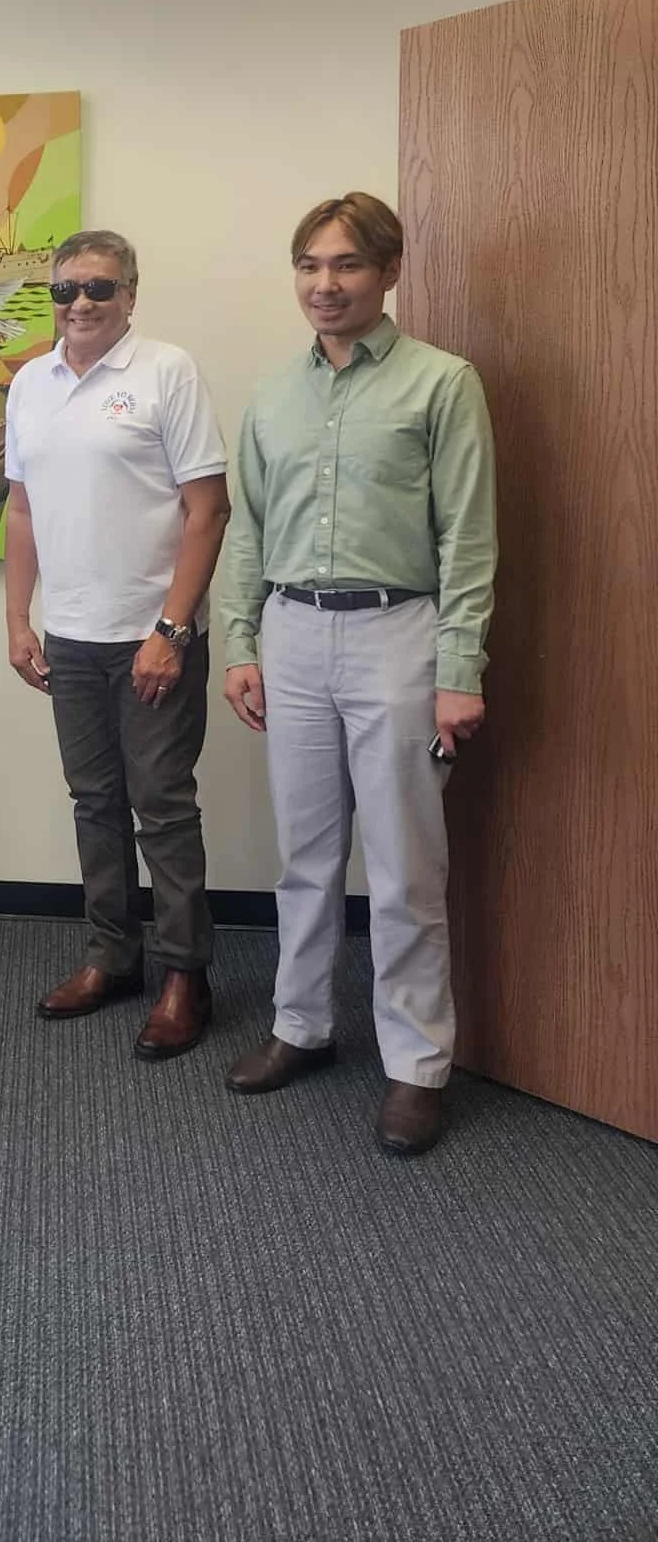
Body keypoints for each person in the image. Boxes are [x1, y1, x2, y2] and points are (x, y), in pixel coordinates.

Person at [220, 192, 496, 1157]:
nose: (323, 285)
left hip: (397, 635)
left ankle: (418, 1065)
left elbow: (468, 537)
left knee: (404, 863)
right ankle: (301, 1026)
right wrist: (242, 641)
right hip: (293, 633)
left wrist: (459, 669)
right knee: (303, 855)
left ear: (387, 273)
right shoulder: (272, 393)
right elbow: (247, 529)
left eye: (343, 266)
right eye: (308, 265)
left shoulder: (441, 384)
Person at [5, 230, 230, 1058]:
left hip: (150, 638)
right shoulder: (30, 384)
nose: (82, 304)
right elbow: (22, 511)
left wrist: (171, 629)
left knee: (162, 808)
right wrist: (16, 619)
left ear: (132, 293)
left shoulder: (166, 371)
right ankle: (113, 955)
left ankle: (184, 975)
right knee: (94, 803)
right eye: (66, 291)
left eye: (99, 288)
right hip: (68, 637)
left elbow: (208, 510)